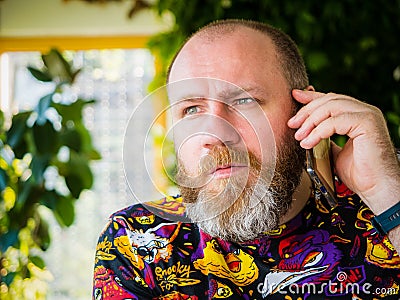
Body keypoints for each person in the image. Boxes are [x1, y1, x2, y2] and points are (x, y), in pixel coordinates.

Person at [92, 19, 400, 299]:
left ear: (305, 110)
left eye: (244, 100)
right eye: (192, 110)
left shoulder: (384, 209)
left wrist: (385, 190)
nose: (215, 133)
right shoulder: (136, 240)